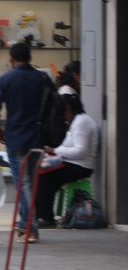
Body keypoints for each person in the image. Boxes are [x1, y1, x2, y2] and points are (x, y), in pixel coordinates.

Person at [0, 42, 50, 243]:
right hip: (38, 138)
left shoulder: (6, 79)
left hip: (16, 137)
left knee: (23, 184)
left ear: (11, 59)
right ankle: (24, 224)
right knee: (30, 182)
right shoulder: (43, 78)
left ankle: (30, 227)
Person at [34, 92, 96, 229]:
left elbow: (80, 151)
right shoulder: (77, 122)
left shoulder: (82, 122)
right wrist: (53, 152)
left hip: (81, 165)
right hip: (72, 162)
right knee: (41, 172)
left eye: (63, 112)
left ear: (68, 108)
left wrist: (55, 151)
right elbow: (66, 147)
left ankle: (45, 217)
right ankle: (39, 214)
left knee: (46, 177)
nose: (63, 118)